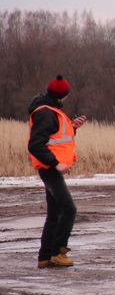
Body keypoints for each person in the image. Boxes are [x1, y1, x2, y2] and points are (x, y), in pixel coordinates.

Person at [27, 75, 87, 269]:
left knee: (55, 212)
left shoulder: (50, 110)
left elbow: (55, 137)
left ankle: (45, 257)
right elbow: (35, 145)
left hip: (50, 168)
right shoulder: (46, 113)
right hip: (50, 168)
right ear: (63, 96)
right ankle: (58, 253)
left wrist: (73, 127)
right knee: (69, 209)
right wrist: (56, 163)